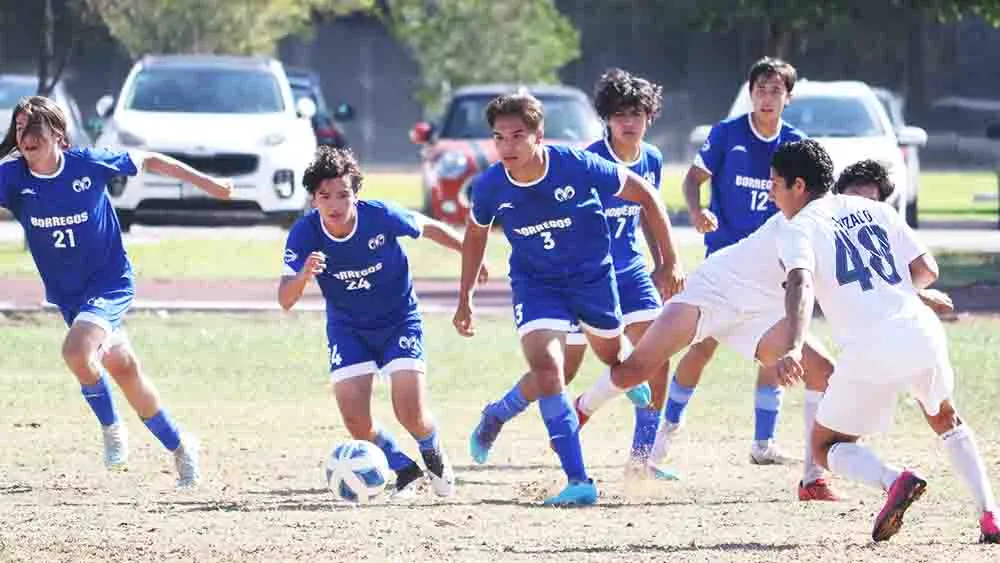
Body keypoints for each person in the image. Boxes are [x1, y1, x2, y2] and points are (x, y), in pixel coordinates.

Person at [454, 92, 683, 506]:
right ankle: (578, 481)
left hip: (593, 280)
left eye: (517, 135)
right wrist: (465, 296)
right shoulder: (490, 185)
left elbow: (647, 196)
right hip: (536, 285)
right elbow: (475, 234)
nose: (508, 146)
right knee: (549, 370)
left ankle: (499, 411)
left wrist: (669, 261)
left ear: (539, 134)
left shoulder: (576, 165)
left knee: (616, 360)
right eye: (499, 137)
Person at [771, 139, 999, 543]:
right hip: (921, 329)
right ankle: (990, 516)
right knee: (946, 418)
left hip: (870, 345)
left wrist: (792, 345)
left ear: (799, 185)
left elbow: (801, 283)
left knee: (826, 444)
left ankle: (894, 480)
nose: (772, 193)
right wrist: (892, 291)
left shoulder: (799, 227)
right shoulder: (877, 209)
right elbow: (927, 270)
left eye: (775, 184)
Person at [0, 96, 233, 488]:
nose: (26, 135)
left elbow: (150, 159)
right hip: (70, 295)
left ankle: (111, 427)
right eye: (20, 127)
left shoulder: (89, 163)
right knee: (125, 371)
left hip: (110, 284)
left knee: (76, 351)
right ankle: (181, 447)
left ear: (58, 133)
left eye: (35, 126)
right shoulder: (12, 180)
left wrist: (208, 183)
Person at [279, 146, 481, 499]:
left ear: (356, 194)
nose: (334, 204)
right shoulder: (304, 234)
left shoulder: (381, 215)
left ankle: (432, 452)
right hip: (348, 329)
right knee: (356, 422)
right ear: (314, 200)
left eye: (343, 194)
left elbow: (429, 227)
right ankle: (404, 469)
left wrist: (469, 251)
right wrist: (303, 275)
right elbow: (284, 299)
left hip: (399, 321)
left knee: (411, 413)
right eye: (324, 196)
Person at [673, 57, 806, 465]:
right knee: (700, 347)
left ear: (788, 97)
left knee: (776, 349)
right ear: (750, 93)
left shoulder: (796, 144)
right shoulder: (727, 134)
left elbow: (806, 200)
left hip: (772, 267)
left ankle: (763, 443)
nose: (767, 98)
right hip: (725, 262)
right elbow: (693, 179)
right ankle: (665, 433)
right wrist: (697, 212)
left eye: (775, 91)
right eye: (760, 90)